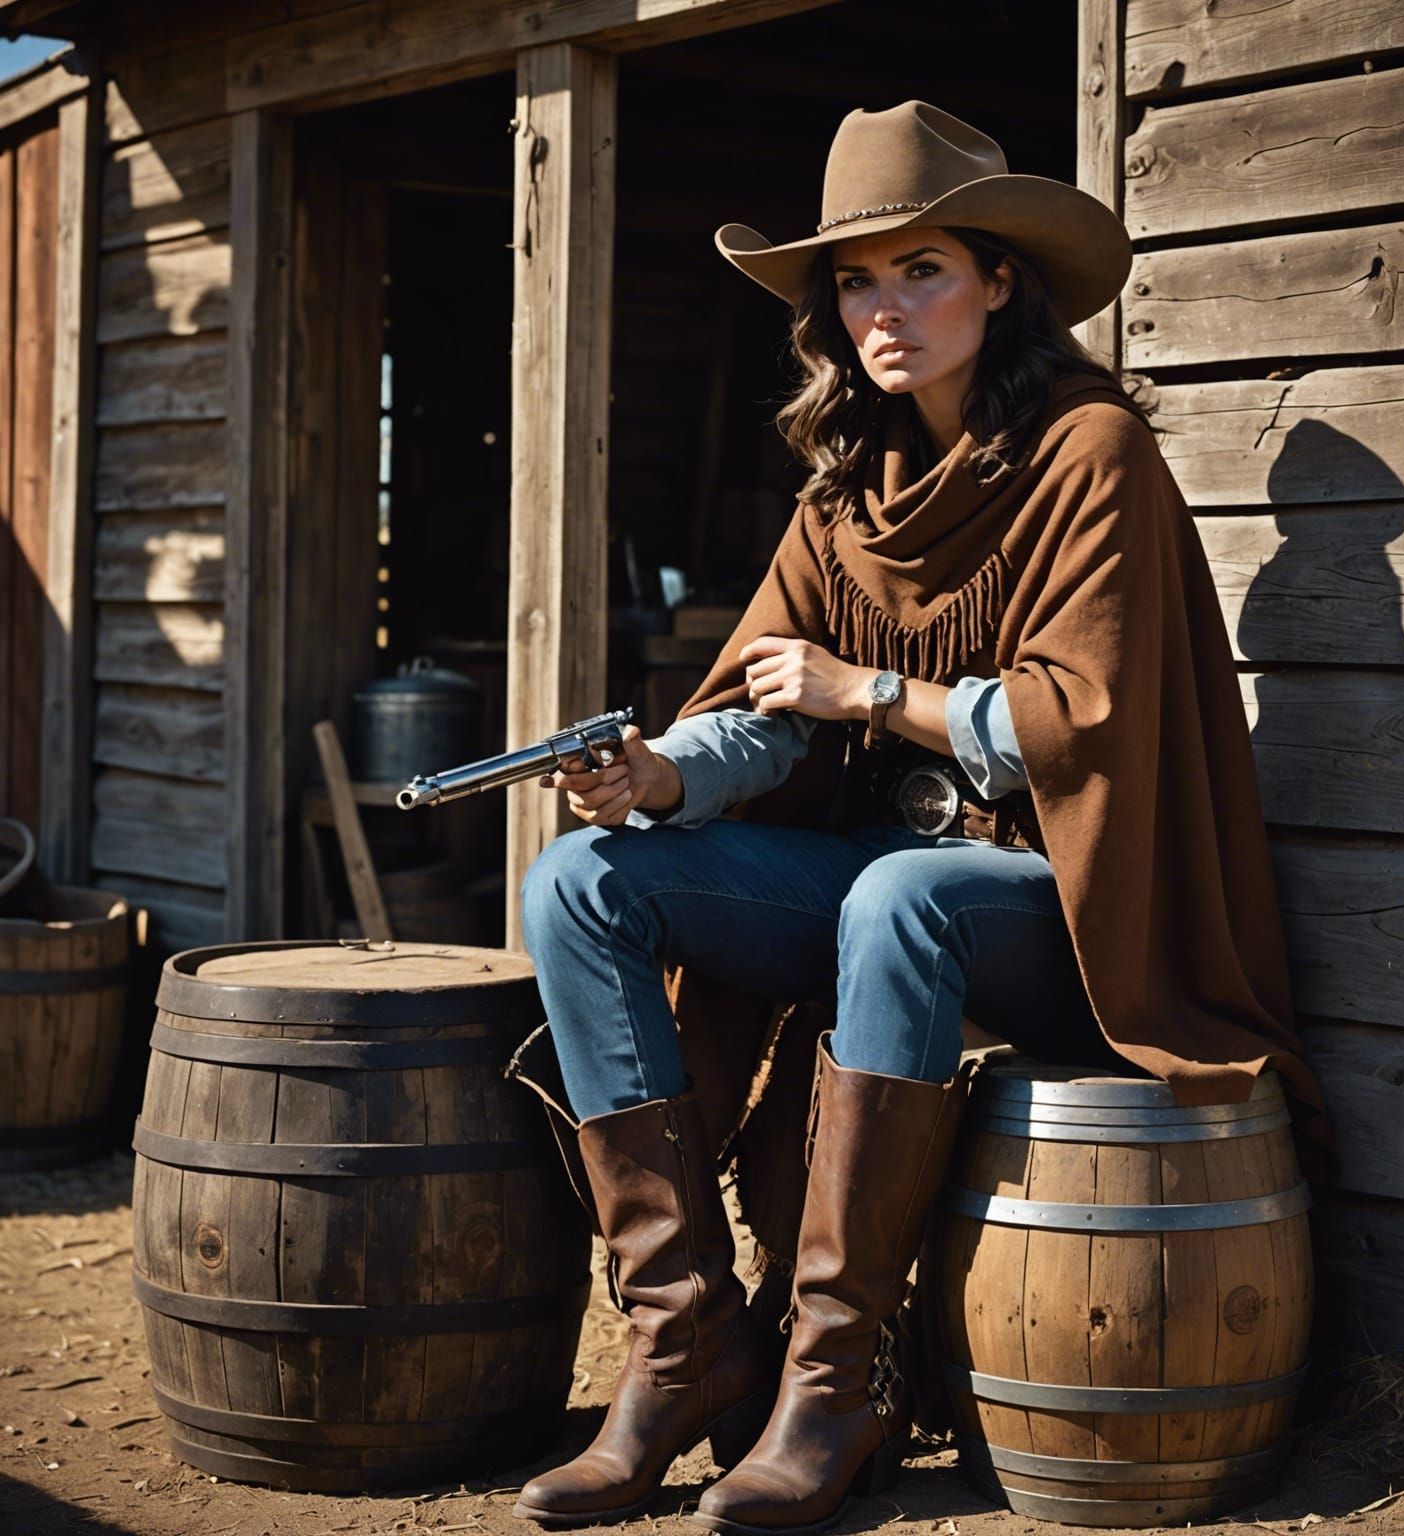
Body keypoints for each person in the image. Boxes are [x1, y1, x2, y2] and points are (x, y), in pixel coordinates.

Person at [510, 101, 1327, 1534]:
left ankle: (838, 1377)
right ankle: (683, 1338)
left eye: (921, 270)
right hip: (892, 883)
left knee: (903, 894)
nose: (883, 309)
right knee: (583, 877)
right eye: (855, 281)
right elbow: (769, 702)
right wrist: (663, 776)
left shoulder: (1093, 456)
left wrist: (872, 690)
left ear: (1000, 280)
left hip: (1068, 902)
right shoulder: (847, 491)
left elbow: (1065, 724)